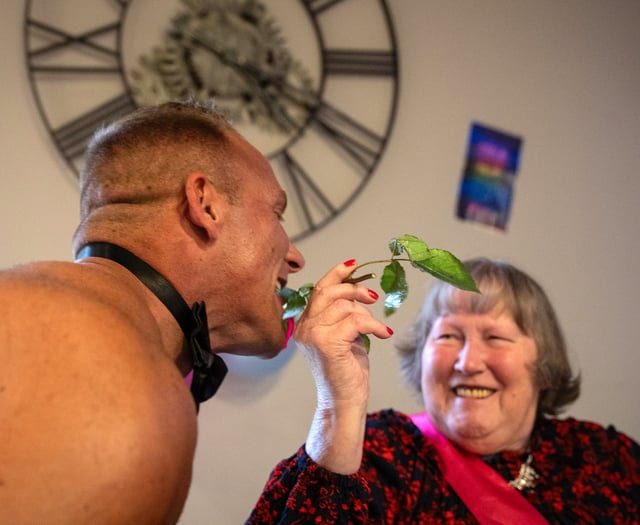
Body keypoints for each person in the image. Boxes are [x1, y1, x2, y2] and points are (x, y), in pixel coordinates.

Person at [0, 100, 396, 524]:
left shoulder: (55, 313)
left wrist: (339, 409)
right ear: (205, 204)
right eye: (276, 213)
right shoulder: (105, 372)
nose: (296, 258)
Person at [248, 257, 640, 524]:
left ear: (543, 363)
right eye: (449, 335)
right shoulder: (377, 453)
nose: (468, 363)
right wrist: (338, 405)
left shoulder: (608, 460)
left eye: (496, 337)